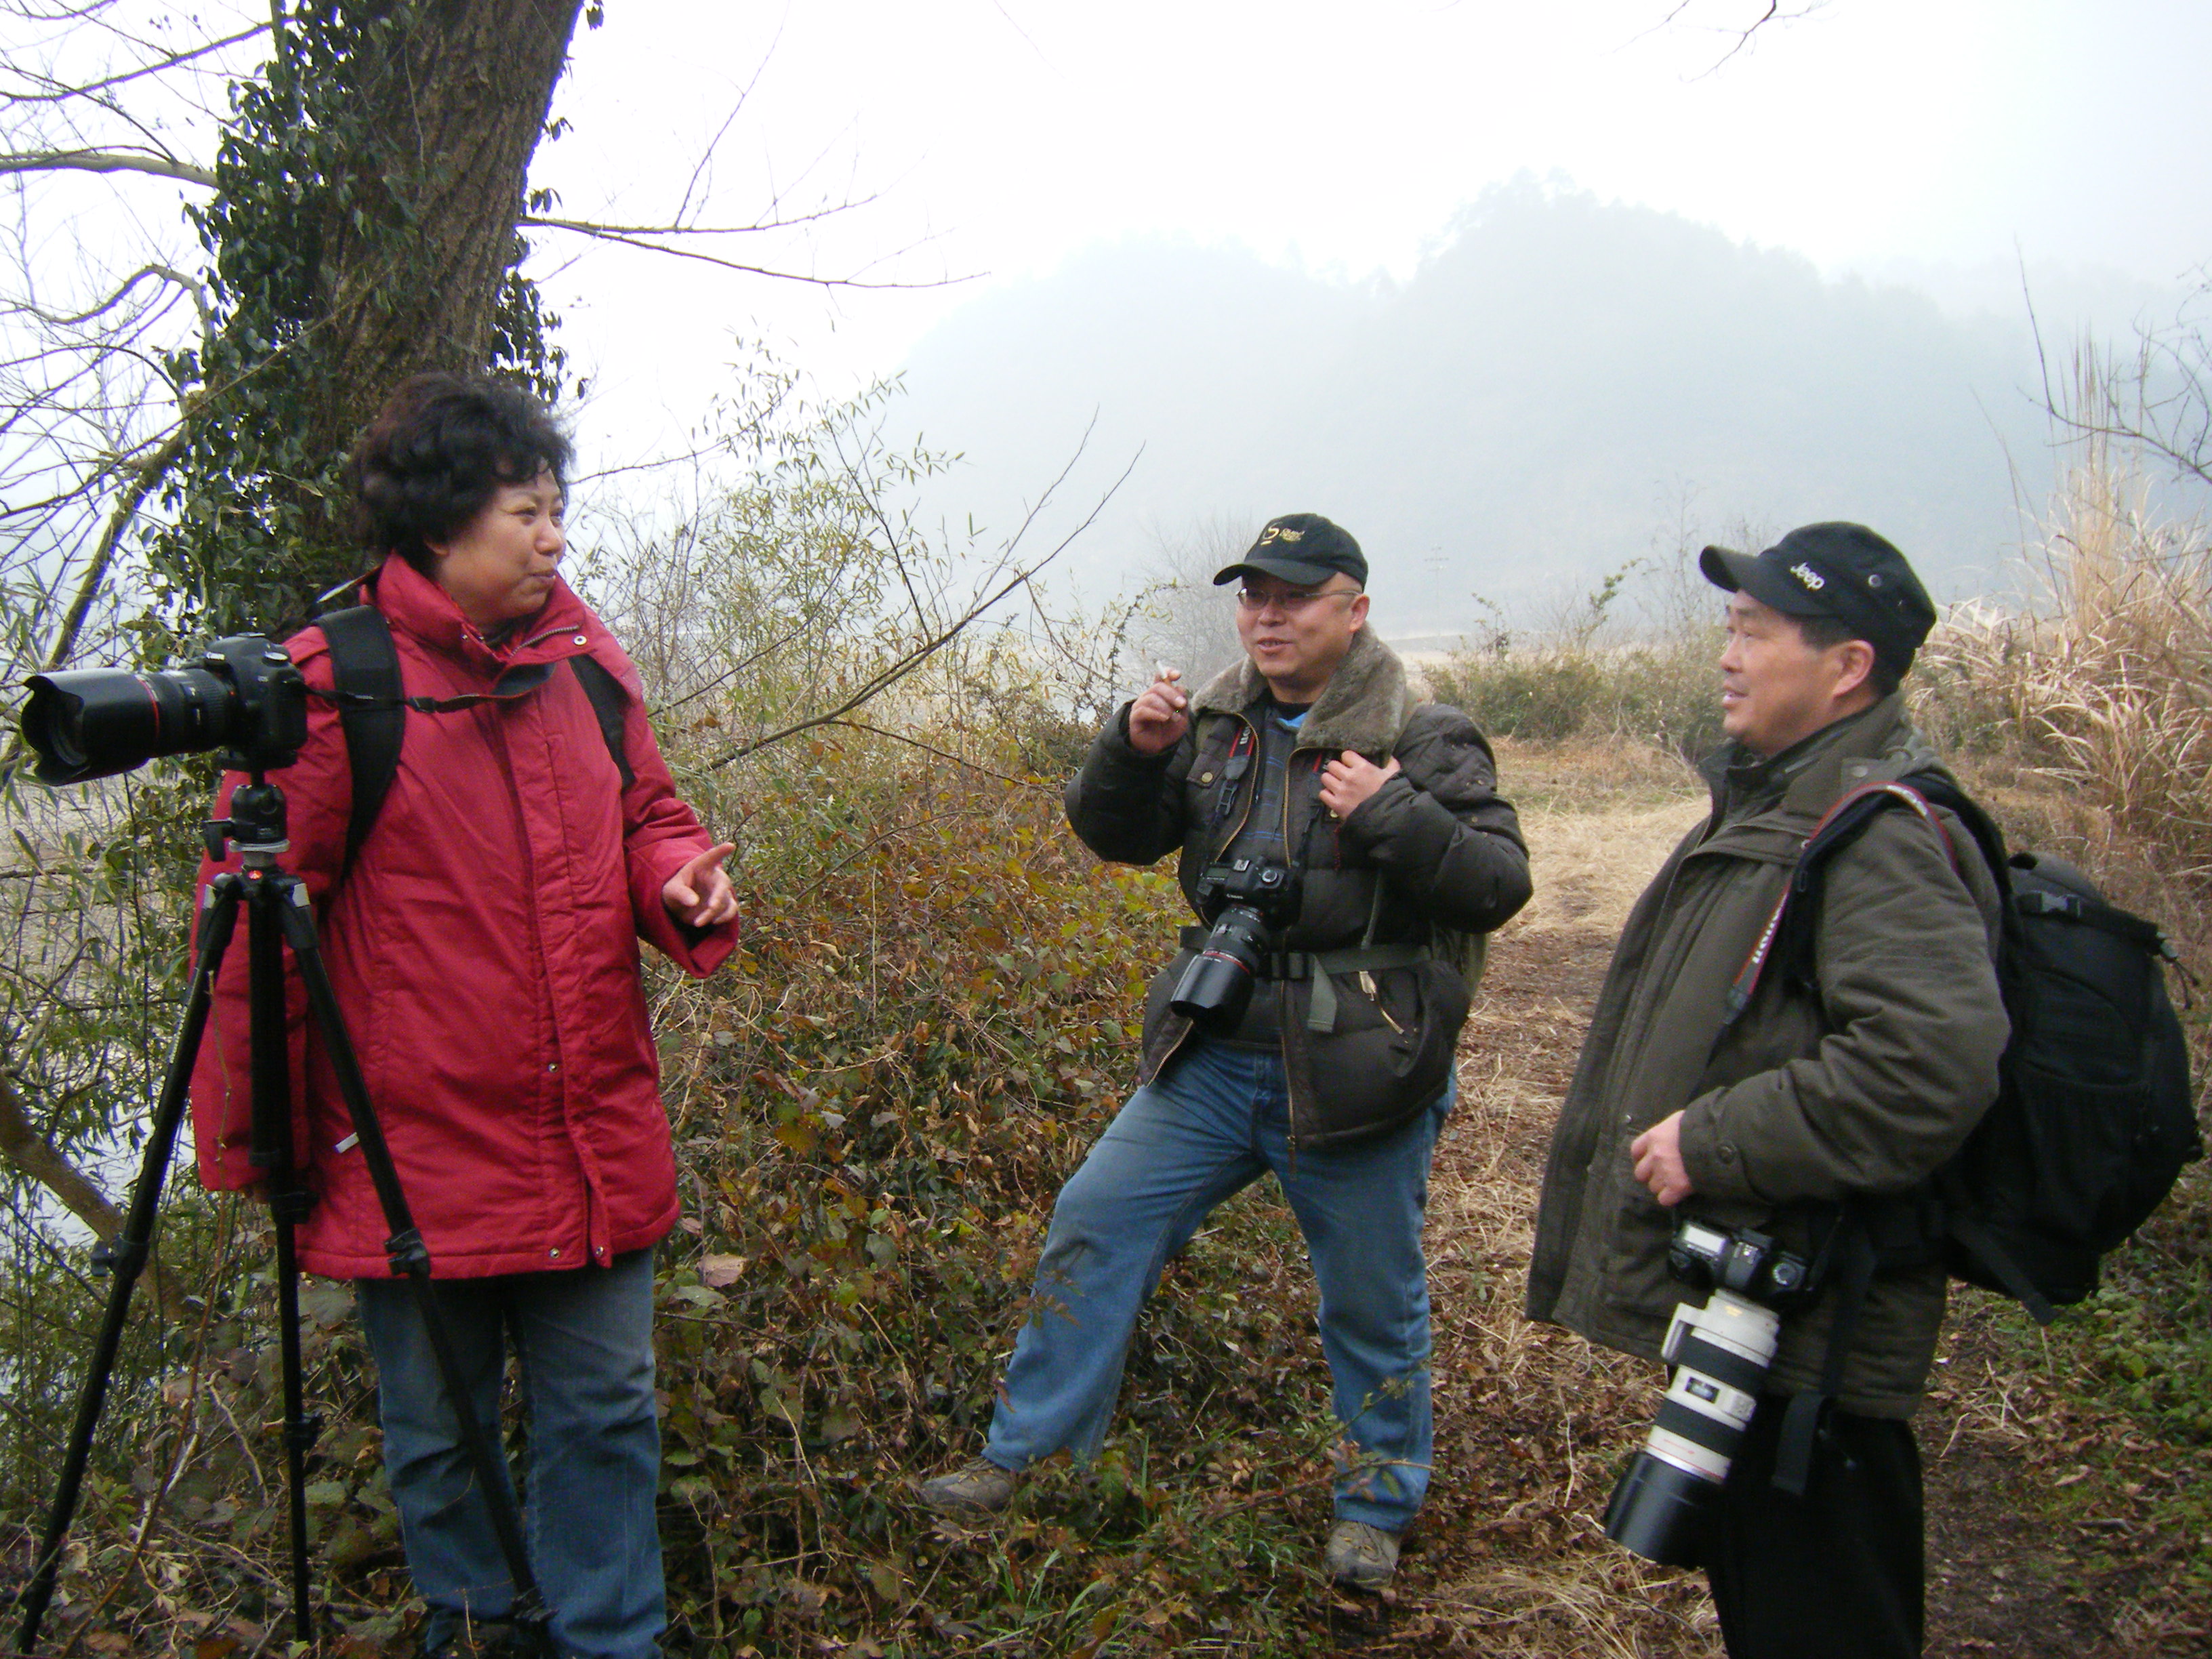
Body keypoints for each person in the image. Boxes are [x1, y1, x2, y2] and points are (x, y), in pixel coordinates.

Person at [189, 374, 739, 1659]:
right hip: (411, 1149)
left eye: (558, 510)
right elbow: (252, 946)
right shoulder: (332, 685)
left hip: (588, 1121)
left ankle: (610, 1638)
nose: (555, 538)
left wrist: (675, 876)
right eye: (526, 513)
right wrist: (262, 1143)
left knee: (607, 1412)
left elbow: (647, 811)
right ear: (440, 525)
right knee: (440, 1433)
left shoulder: (582, 660)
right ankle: (483, 1629)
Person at [920, 512, 1532, 1587]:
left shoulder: (1423, 733)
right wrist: (1131, 747)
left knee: (1370, 1296)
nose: (1268, 616)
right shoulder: (1217, 724)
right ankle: (1029, 1457)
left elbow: (1498, 884)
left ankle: (1376, 1506)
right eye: (1254, 596)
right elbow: (1115, 836)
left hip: (1356, 1063)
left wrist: (1390, 811)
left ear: (1355, 609)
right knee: (1097, 1221)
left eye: (1295, 596)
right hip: (1215, 1046)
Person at [1526, 523, 2009, 1658]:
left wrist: (1714, 1140)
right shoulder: (1785, 807)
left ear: (1848, 667)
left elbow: (1930, 1064)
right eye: (1729, 629)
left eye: (1755, 631)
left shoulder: (1878, 834)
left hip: (1818, 1354)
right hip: (1765, 1334)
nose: (1727, 655)